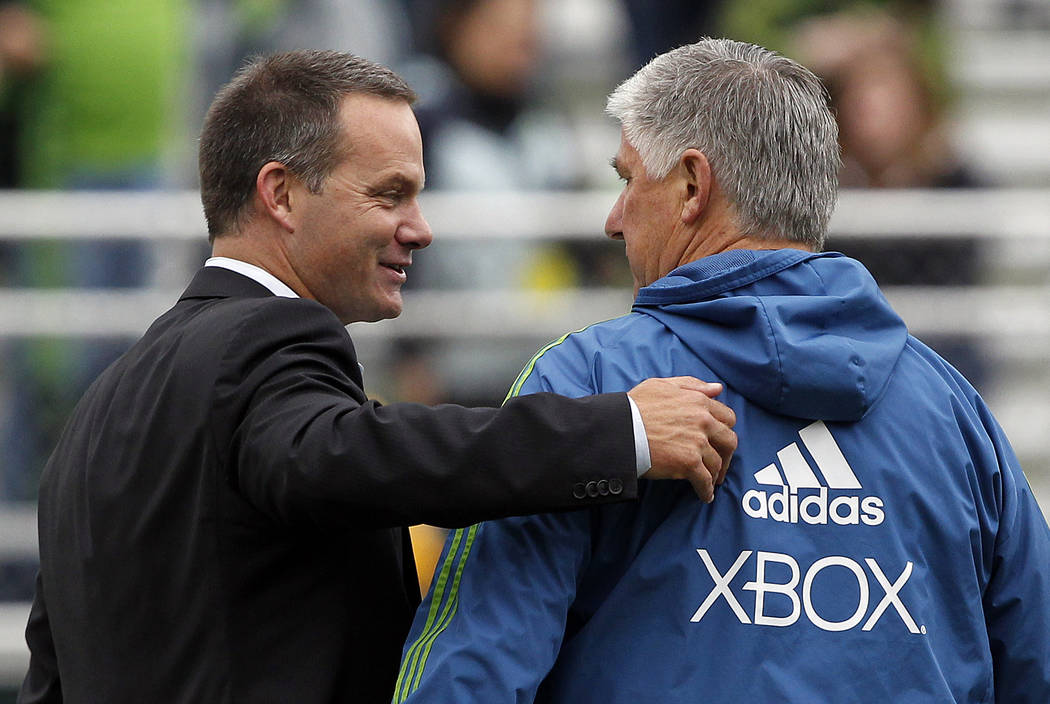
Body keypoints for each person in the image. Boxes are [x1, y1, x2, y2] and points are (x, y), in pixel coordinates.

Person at [17, 50, 739, 703]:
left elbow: (51, 677)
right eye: (390, 194)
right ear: (281, 194)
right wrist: (621, 431)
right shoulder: (266, 337)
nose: (419, 227)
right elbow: (336, 456)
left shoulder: (96, 413)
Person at [394, 39, 1050, 703]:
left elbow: (471, 669)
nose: (613, 220)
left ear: (690, 185)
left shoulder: (592, 380)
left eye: (627, 180)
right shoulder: (954, 413)